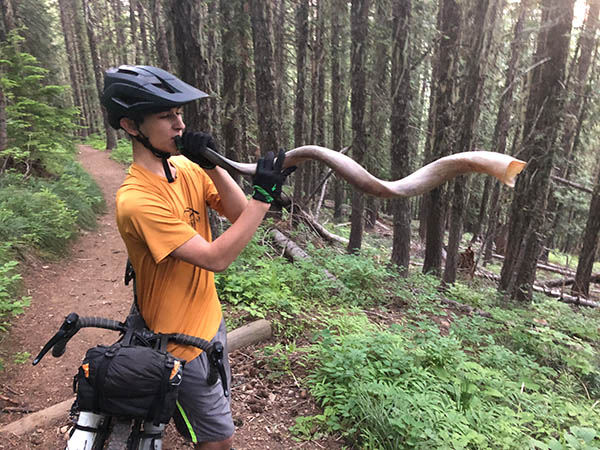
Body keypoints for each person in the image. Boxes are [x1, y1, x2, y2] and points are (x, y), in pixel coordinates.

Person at [101, 65, 294, 450]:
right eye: (166, 116)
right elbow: (216, 257)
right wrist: (264, 196)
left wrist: (212, 165)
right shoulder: (136, 199)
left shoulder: (186, 167)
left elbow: (239, 215)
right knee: (219, 441)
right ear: (131, 125)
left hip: (211, 323)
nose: (179, 125)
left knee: (216, 424)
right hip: (176, 346)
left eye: (180, 114)